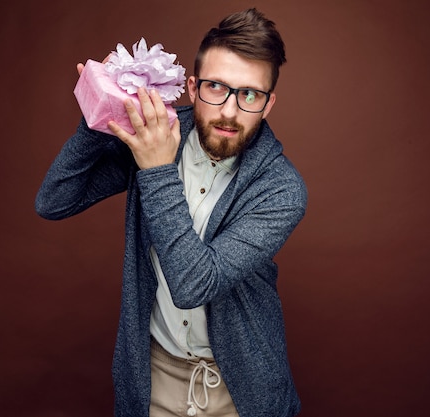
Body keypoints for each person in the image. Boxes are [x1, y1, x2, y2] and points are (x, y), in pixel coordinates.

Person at [36, 8, 306, 417]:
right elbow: (53, 201)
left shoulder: (281, 189)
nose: (230, 111)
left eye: (249, 94)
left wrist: (157, 170)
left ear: (268, 105)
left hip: (242, 391)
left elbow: (195, 284)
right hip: (152, 377)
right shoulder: (155, 133)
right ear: (194, 87)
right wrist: (99, 110)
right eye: (217, 87)